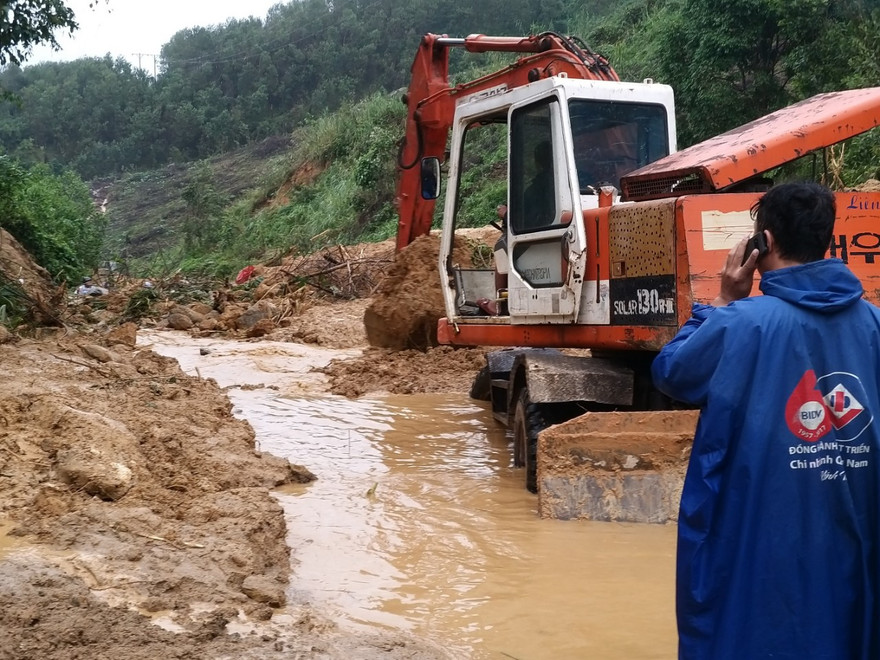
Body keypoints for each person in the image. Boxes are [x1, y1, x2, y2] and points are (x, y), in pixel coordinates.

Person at [651, 182, 880, 659]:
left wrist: (722, 301)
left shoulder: (739, 323)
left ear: (765, 244)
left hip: (758, 533)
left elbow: (672, 373)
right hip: (852, 534)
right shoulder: (874, 325)